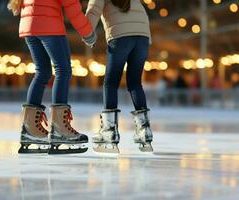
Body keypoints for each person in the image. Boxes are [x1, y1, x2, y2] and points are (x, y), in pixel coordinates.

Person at [8, 0, 96, 154]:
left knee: (42, 72)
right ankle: (59, 130)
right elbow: (72, 7)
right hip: (49, 25)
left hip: (29, 26)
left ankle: (30, 130)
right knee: (63, 70)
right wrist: (88, 33)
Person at [85, 0, 153, 153]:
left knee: (111, 83)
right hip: (142, 36)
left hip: (121, 36)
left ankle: (109, 131)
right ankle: (144, 130)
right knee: (135, 83)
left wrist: (87, 34)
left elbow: (93, 12)